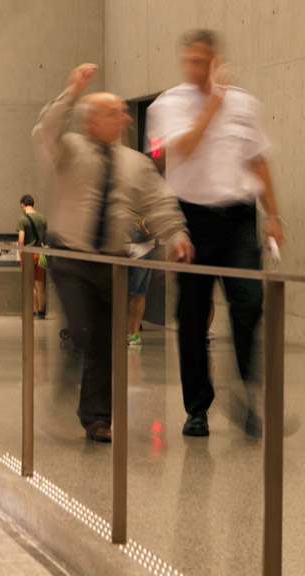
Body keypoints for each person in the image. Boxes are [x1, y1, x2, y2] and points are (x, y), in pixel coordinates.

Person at [34, 63, 192, 443]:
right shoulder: (69, 148)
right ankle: (66, 392)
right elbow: (46, 130)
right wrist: (71, 92)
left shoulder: (134, 163)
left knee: (106, 341)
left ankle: (97, 419)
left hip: (112, 261)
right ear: (91, 121)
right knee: (86, 329)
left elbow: (159, 202)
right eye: (113, 112)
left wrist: (178, 236)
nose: (123, 117)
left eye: (124, 111)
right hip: (71, 257)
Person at [146, 29, 283, 438]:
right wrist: (211, 107)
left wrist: (273, 214)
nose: (195, 68)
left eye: (202, 61)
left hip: (239, 220)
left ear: (215, 60)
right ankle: (197, 408)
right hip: (192, 220)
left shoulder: (244, 104)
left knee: (249, 303)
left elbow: (256, 162)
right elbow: (178, 150)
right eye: (189, 61)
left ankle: (247, 398)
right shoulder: (167, 104)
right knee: (191, 314)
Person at [16, 195, 48, 319]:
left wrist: (20, 252)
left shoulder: (22, 220)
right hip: (40, 254)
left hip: (28, 255)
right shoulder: (42, 218)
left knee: (29, 284)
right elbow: (46, 236)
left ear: (22, 205)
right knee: (40, 284)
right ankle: (41, 311)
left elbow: (21, 239)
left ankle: (32, 311)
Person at [125, 218, 156, 345]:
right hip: (149, 251)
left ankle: (130, 332)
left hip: (136, 254)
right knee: (140, 295)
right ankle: (135, 332)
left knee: (132, 295)